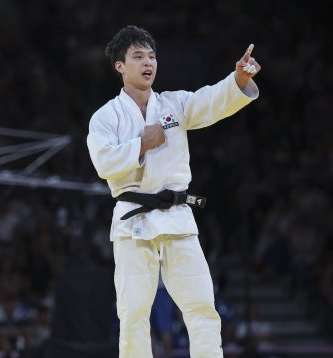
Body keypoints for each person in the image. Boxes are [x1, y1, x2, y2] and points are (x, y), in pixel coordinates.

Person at [87, 25, 260, 357]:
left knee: (202, 308)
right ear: (120, 66)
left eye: (152, 56)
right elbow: (104, 163)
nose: (148, 62)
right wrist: (142, 144)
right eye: (138, 56)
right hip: (133, 221)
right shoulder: (106, 118)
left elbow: (210, 101)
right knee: (134, 314)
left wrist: (237, 80)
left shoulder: (174, 105)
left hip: (178, 217)